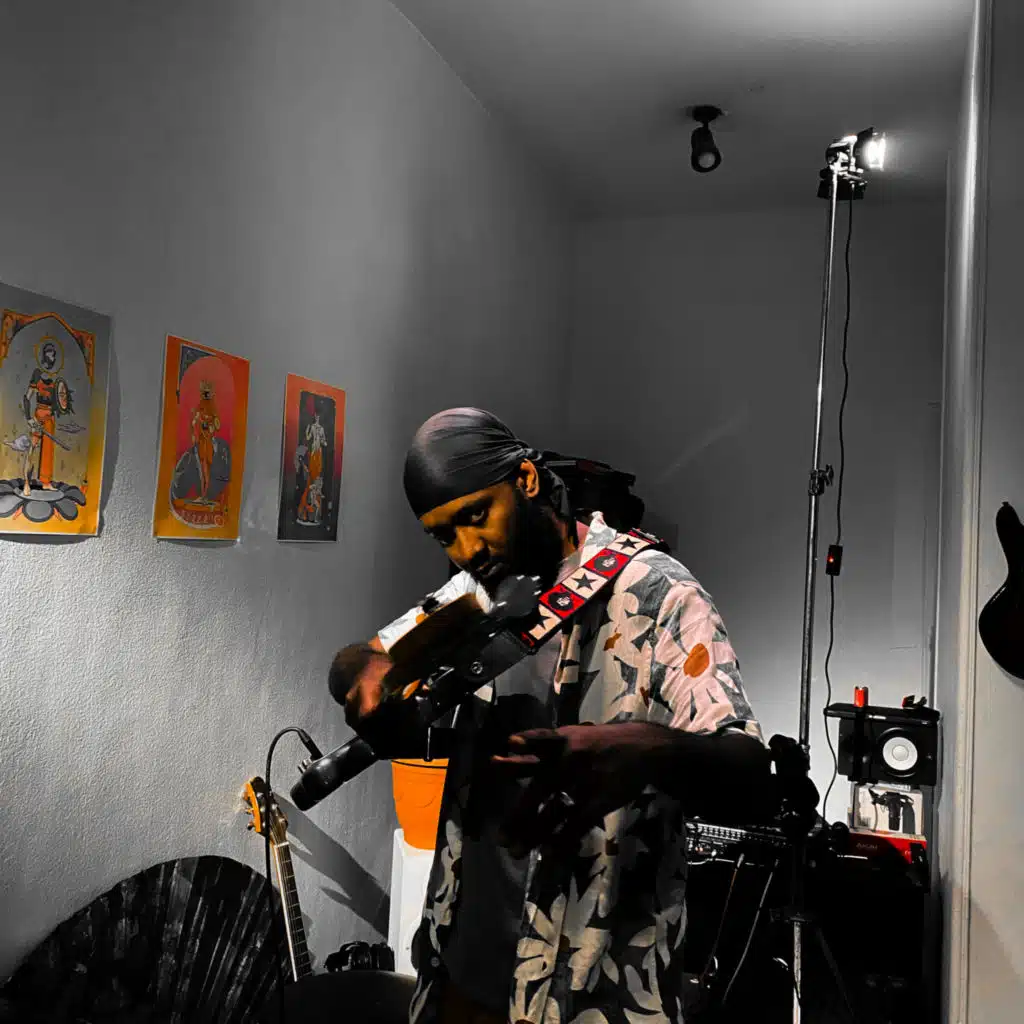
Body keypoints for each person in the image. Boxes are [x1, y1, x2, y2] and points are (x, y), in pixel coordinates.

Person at [337, 408, 774, 1024]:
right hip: (462, 976)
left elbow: (750, 773)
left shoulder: (658, 593)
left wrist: (647, 748)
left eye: (476, 515)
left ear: (526, 479)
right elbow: (364, 658)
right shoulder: (474, 594)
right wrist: (366, 670)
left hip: (593, 993)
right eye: (443, 535)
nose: (466, 549)